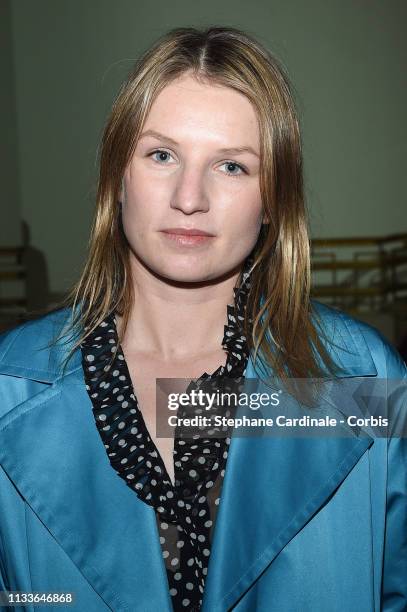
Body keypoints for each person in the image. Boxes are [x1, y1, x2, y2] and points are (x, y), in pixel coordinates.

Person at [0, 26, 405, 612]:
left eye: (232, 167)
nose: (190, 197)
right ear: (119, 176)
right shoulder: (11, 388)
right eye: (162, 155)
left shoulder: (364, 380)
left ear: (273, 199)